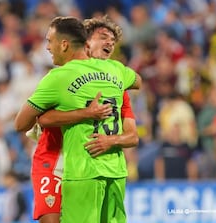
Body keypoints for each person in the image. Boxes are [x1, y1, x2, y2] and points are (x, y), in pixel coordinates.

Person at [15, 16, 141, 223]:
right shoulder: (62, 76)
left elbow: (132, 136)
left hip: (88, 163)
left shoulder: (117, 83)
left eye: (112, 40)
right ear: (86, 42)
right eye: (102, 37)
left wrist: (110, 140)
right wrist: (86, 113)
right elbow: (42, 120)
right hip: (55, 157)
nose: (109, 43)